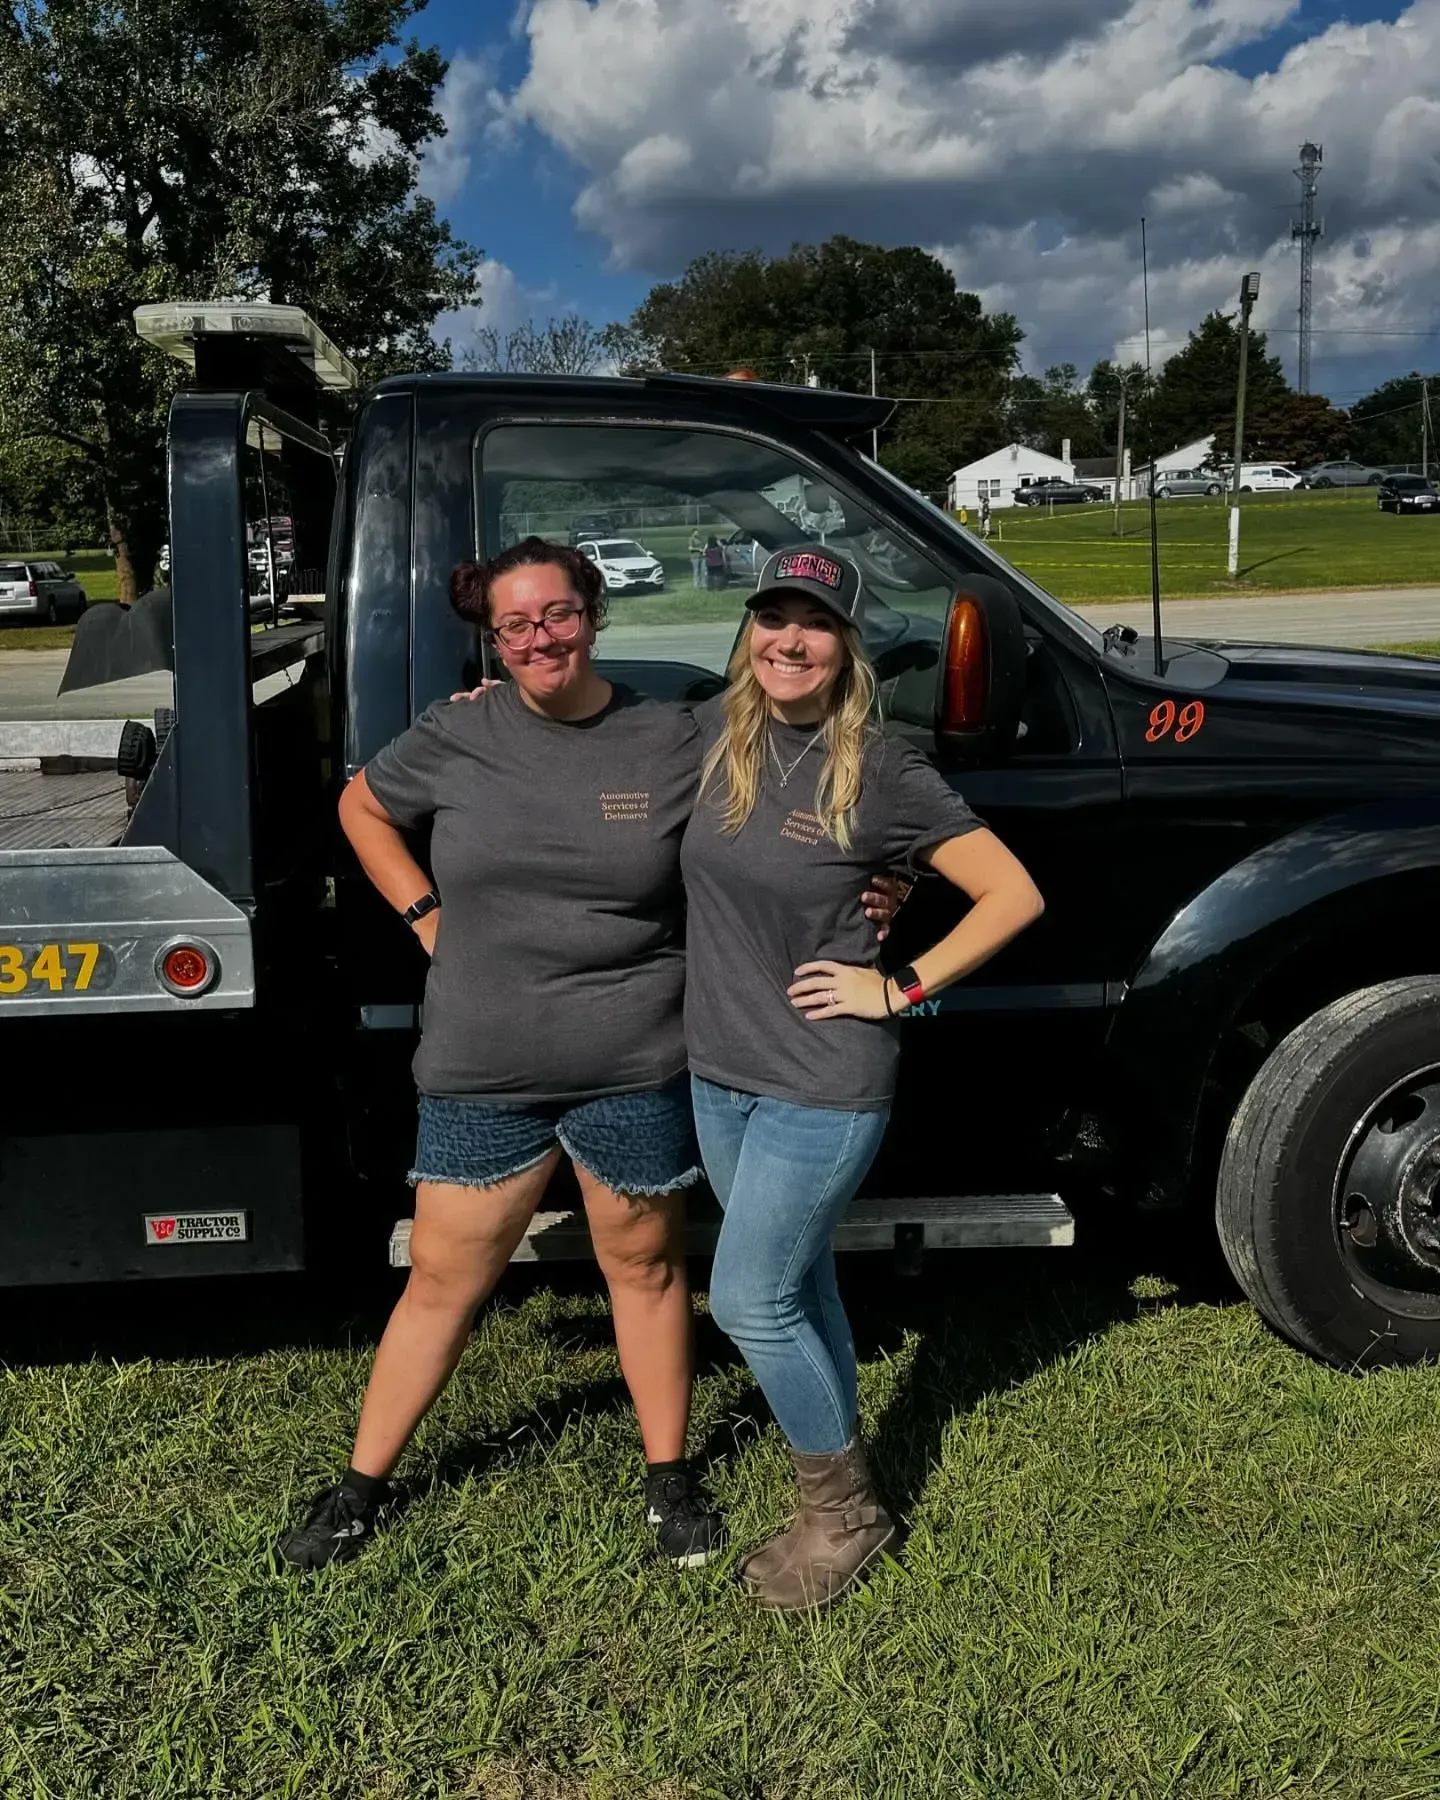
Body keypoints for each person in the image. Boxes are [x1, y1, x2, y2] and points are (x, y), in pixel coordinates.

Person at [275, 537, 900, 1573]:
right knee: (442, 1280)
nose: (539, 639)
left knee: (645, 1267)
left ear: (594, 613)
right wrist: (426, 915)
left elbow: (817, 789)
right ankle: (357, 1489)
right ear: (493, 639)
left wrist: (891, 883)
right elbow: (363, 807)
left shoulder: (675, 735)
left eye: (557, 614)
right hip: (484, 1064)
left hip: (633, 1057)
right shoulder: (455, 733)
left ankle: (669, 1482)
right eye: (515, 624)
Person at [680, 547, 1044, 1612]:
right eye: (772, 617)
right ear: (749, 632)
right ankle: (839, 1483)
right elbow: (592, 729)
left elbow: (1012, 894)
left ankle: (845, 1515)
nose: (788, 640)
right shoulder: (713, 734)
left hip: (822, 1083)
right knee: (800, 1286)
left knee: (749, 1298)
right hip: (720, 1077)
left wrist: (902, 986)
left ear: (848, 647)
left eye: (816, 623)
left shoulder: (883, 769)